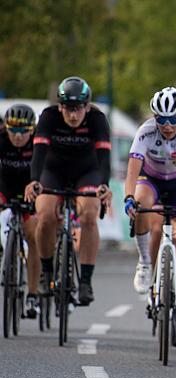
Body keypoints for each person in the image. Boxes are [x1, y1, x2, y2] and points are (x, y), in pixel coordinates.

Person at [124, 87, 176, 344]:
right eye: (162, 119)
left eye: (173, 119)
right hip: (152, 181)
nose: (168, 125)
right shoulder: (146, 131)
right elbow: (132, 170)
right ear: (154, 117)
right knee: (140, 203)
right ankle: (145, 263)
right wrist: (128, 197)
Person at [25, 76, 112, 306]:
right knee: (44, 214)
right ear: (60, 106)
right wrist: (34, 181)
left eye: (78, 109)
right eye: (68, 109)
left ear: (87, 106)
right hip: (54, 170)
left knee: (90, 214)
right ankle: (46, 272)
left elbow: (104, 157)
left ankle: (85, 281)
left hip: (87, 171)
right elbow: (39, 153)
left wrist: (104, 184)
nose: (73, 116)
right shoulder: (49, 117)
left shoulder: (97, 119)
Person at [1, 104, 40, 318]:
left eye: (23, 131)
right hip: (4, 189)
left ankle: (32, 294)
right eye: (12, 130)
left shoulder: (38, 144)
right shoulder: (1, 140)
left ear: (32, 129)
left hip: (29, 193)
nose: (17, 136)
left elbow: (46, 170)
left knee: (34, 236)